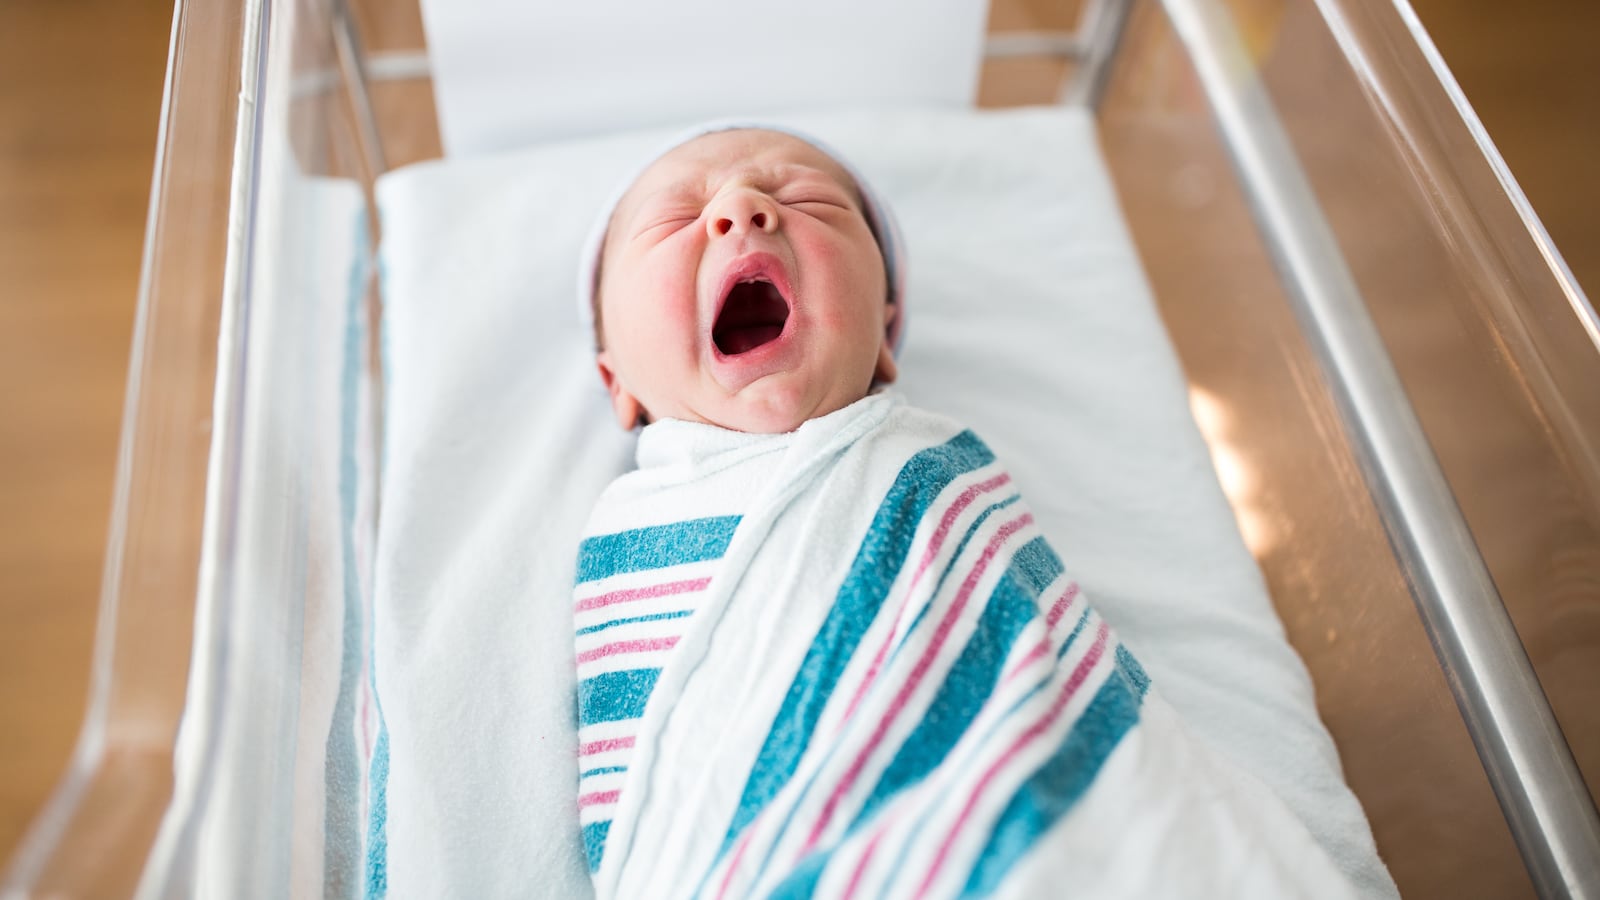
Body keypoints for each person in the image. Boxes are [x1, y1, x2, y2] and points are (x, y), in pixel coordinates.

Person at [570, 125, 1354, 899]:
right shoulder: (631, 525)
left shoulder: (925, 465)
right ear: (619, 383)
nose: (743, 208)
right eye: (674, 219)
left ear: (884, 334)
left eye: (808, 199)